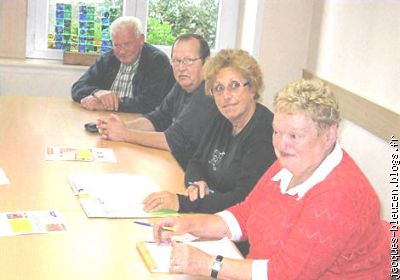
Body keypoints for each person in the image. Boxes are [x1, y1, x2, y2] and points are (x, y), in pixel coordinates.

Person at [152, 79, 389, 279]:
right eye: (277, 132)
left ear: (329, 136)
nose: (281, 145)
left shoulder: (340, 196)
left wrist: (209, 264)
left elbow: (284, 273)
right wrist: (189, 224)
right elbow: (247, 213)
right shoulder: (292, 163)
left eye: (294, 135)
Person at [142, 49, 276, 215]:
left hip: (236, 231)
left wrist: (182, 203)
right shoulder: (223, 119)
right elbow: (196, 161)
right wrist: (196, 183)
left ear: (252, 88)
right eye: (218, 88)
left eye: (234, 86)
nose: (226, 96)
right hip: (208, 214)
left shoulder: (265, 132)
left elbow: (243, 199)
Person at [96, 34, 219, 169]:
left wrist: (125, 134)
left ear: (207, 63)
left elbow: (171, 141)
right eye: (176, 61)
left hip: (196, 177)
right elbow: (158, 118)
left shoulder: (208, 94)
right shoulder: (182, 85)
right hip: (174, 164)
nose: (181, 68)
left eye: (189, 60)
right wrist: (118, 126)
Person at [71, 16, 175, 113]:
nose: (121, 51)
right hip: (106, 119)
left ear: (141, 40)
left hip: (140, 124)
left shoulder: (157, 61)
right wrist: (97, 92)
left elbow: (148, 103)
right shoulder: (107, 59)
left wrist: (107, 105)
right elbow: (77, 87)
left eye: (127, 44)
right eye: (117, 45)